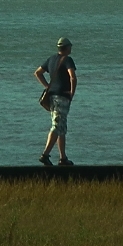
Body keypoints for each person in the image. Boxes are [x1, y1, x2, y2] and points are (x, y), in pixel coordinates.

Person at [35, 37, 77, 166]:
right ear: (67, 47)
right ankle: (45, 155)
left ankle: (63, 158)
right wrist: (71, 93)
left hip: (52, 97)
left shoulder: (51, 59)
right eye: (70, 46)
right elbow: (73, 77)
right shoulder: (68, 60)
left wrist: (47, 86)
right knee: (57, 126)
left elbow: (38, 73)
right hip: (61, 97)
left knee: (62, 127)